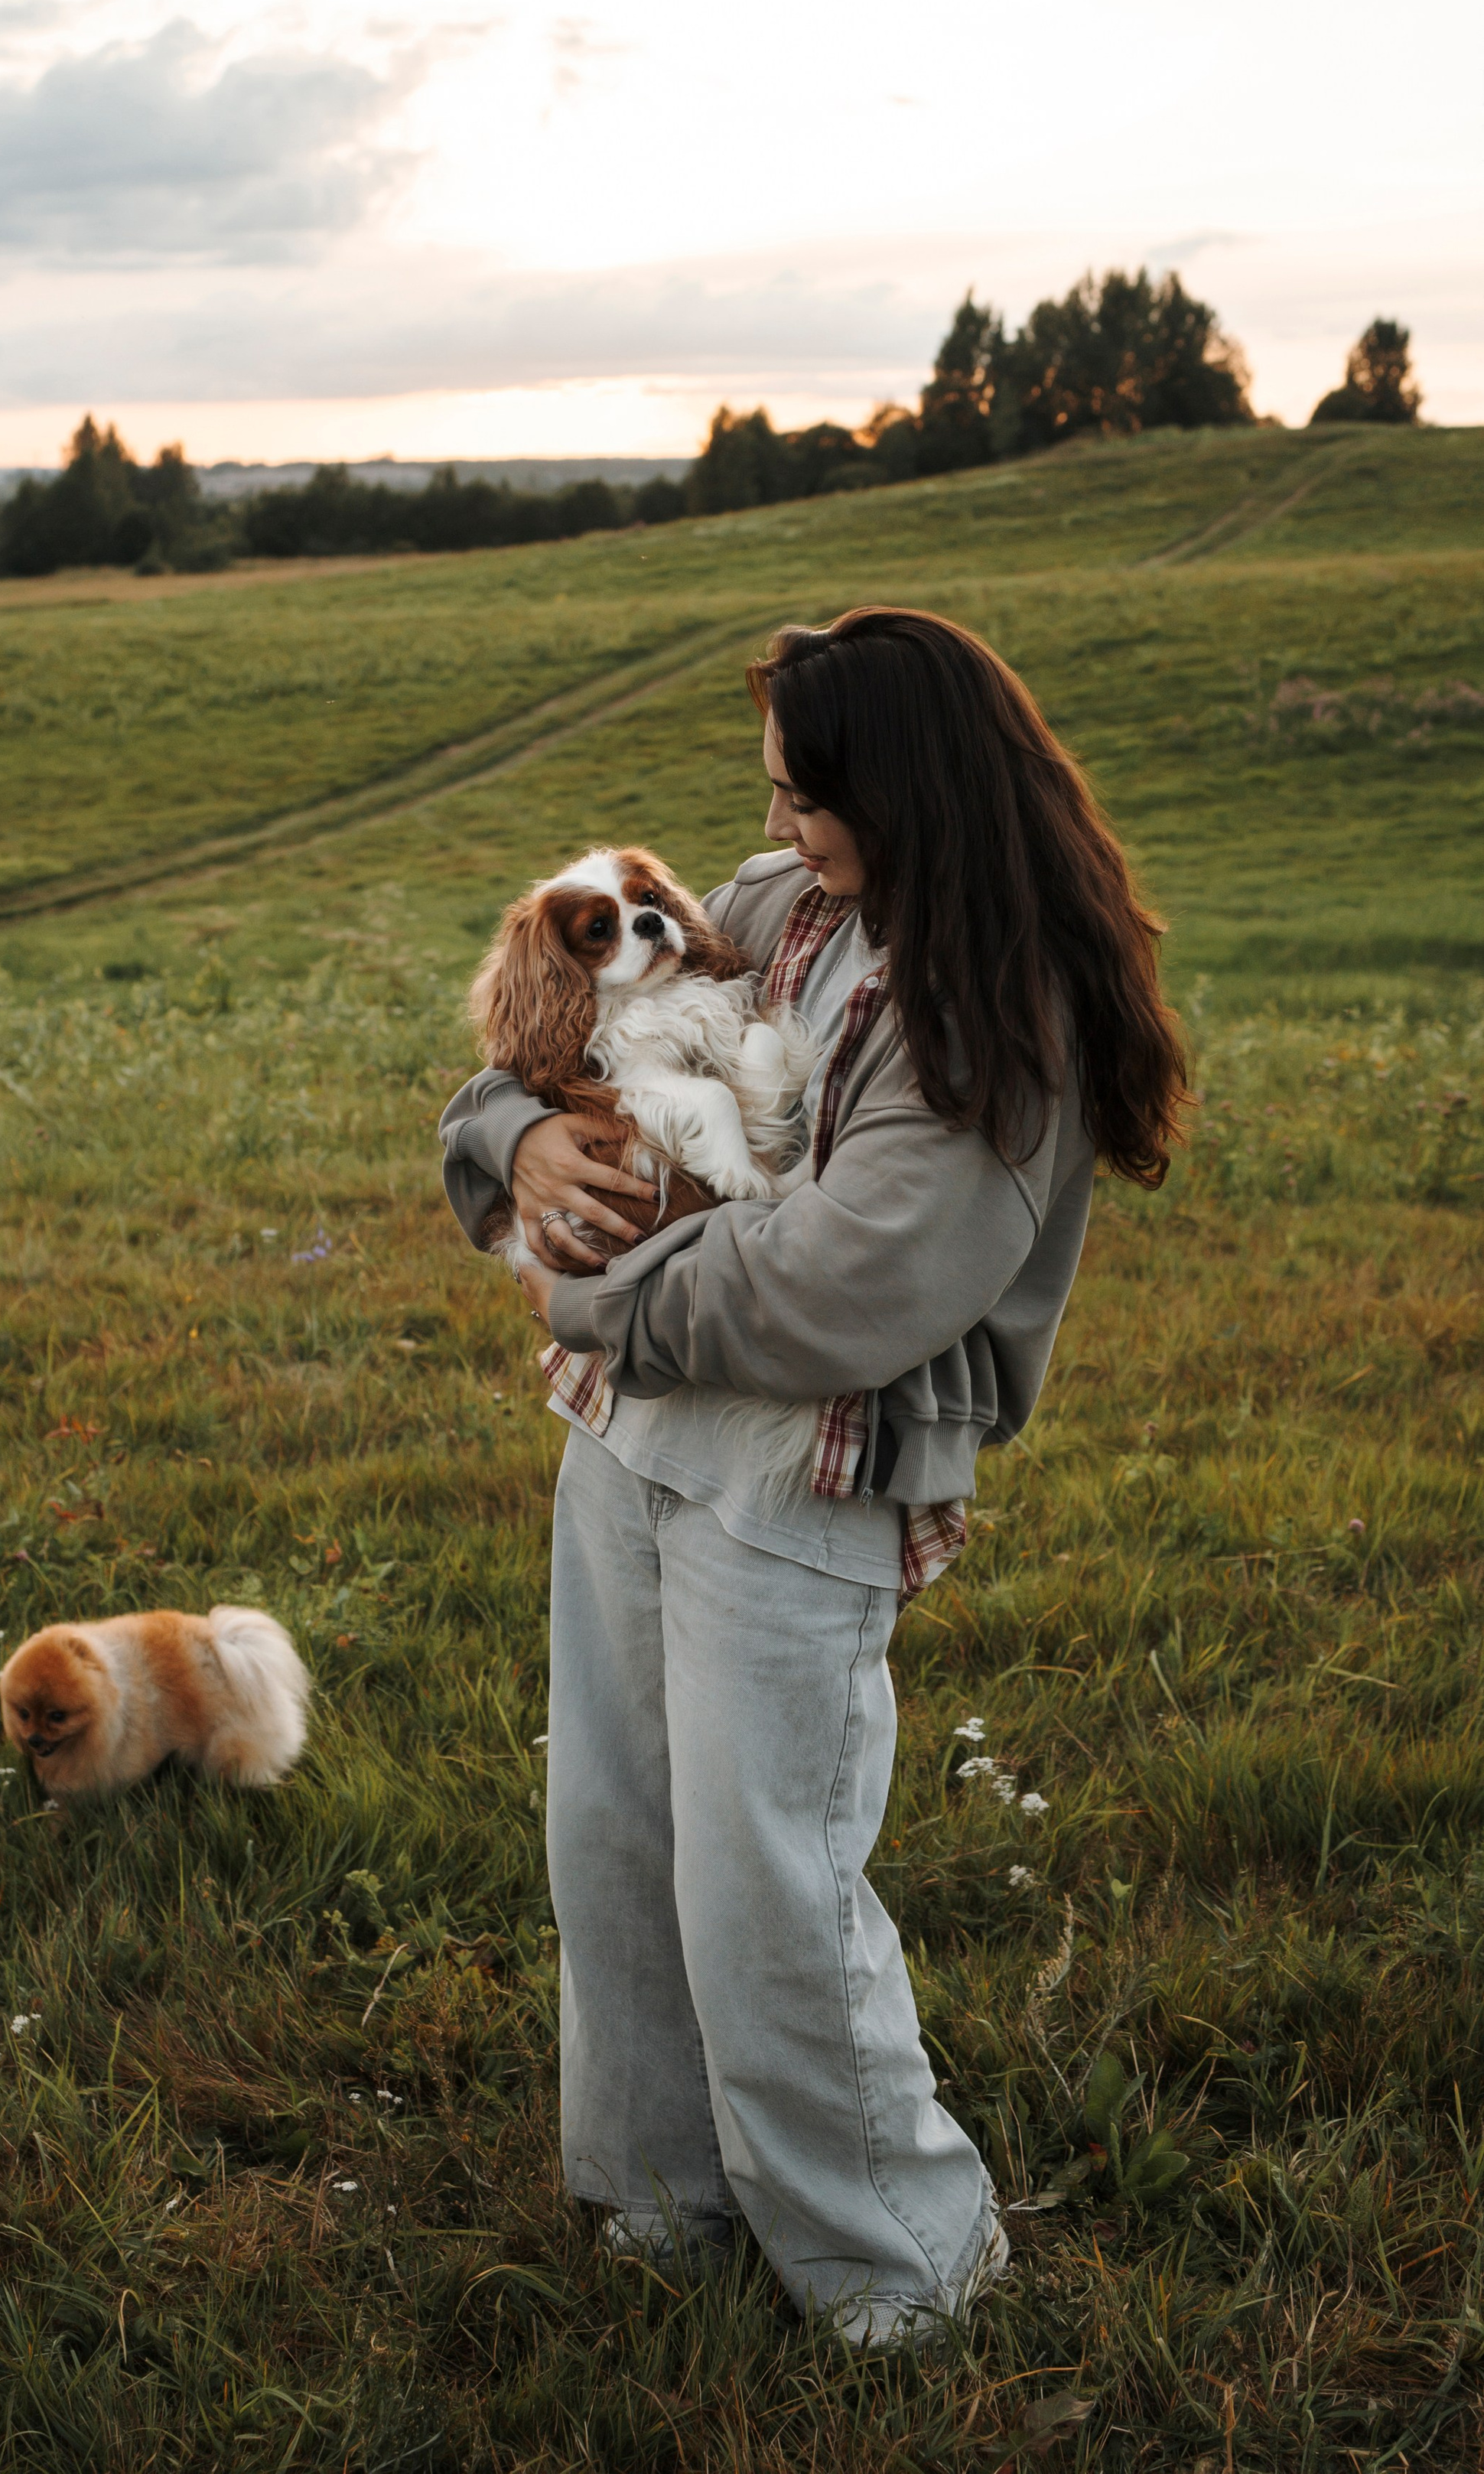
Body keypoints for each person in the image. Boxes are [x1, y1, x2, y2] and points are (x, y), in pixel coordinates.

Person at [438, 607, 1186, 2340]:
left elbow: (842, 1285)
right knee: (613, 1837)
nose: (769, 831)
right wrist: (511, 1138)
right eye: (767, 793)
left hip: (807, 1466)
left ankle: (895, 2276)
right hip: (627, 1433)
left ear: (902, 789)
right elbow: (531, 1048)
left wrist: (577, 1289)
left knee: (762, 1872)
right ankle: (658, 2204)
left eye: (800, 797)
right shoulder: (781, 908)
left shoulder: (997, 1010)